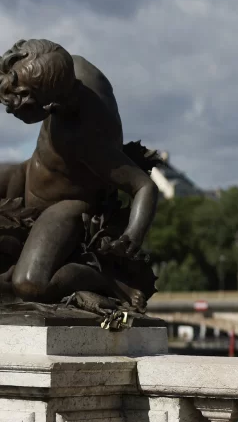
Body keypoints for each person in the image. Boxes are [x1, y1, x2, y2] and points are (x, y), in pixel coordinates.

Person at [0, 38, 159, 308]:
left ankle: (104, 281)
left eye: (19, 107)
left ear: (49, 107)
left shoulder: (85, 138)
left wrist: (130, 238)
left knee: (29, 284)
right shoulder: (70, 67)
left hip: (65, 205)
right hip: (28, 172)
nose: (8, 109)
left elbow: (144, 186)